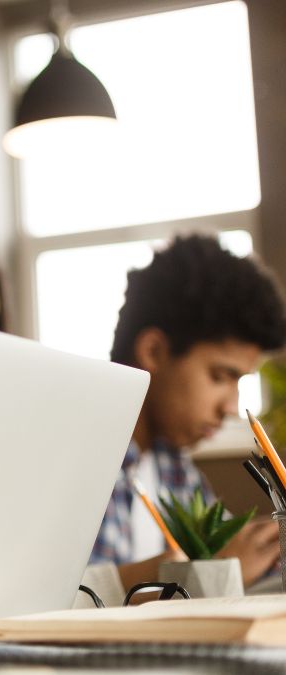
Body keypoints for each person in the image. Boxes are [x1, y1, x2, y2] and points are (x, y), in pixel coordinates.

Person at [92, 234, 286, 589]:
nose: (229, 408)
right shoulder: (86, 459)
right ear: (154, 351)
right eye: (220, 376)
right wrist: (211, 571)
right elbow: (70, 602)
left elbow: (235, 555)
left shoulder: (174, 468)